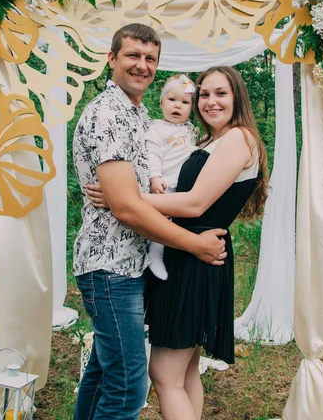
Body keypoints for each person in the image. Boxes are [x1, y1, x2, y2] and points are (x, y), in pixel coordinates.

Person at [90, 65, 269, 420]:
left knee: (164, 374)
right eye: (204, 94)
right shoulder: (208, 140)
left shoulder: (239, 139)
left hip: (194, 255)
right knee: (185, 370)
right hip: (187, 250)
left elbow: (194, 203)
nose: (210, 101)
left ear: (238, 97)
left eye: (221, 93)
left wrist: (123, 198)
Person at [72, 23, 227, 420]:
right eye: (132, 56)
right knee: (127, 388)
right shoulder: (109, 114)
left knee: (104, 372)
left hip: (133, 263)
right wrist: (194, 244)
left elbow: (137, 193)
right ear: (111, 58)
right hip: (111, 268)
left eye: (150, 59)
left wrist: (130, 196)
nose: (142, 65)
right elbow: (125, 209)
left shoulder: (140, 116)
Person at [146, 74, 197, 280]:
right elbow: (152, 153)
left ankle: (170, 254)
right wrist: (155, 177)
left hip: (184, 186)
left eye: (185, 102)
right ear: (161, 102)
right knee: (163, 221)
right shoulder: (157, 128)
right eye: (172, 100)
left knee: (176, 222)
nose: (178, 106)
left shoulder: (190, 129)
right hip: (165, 184)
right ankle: (154, 255)